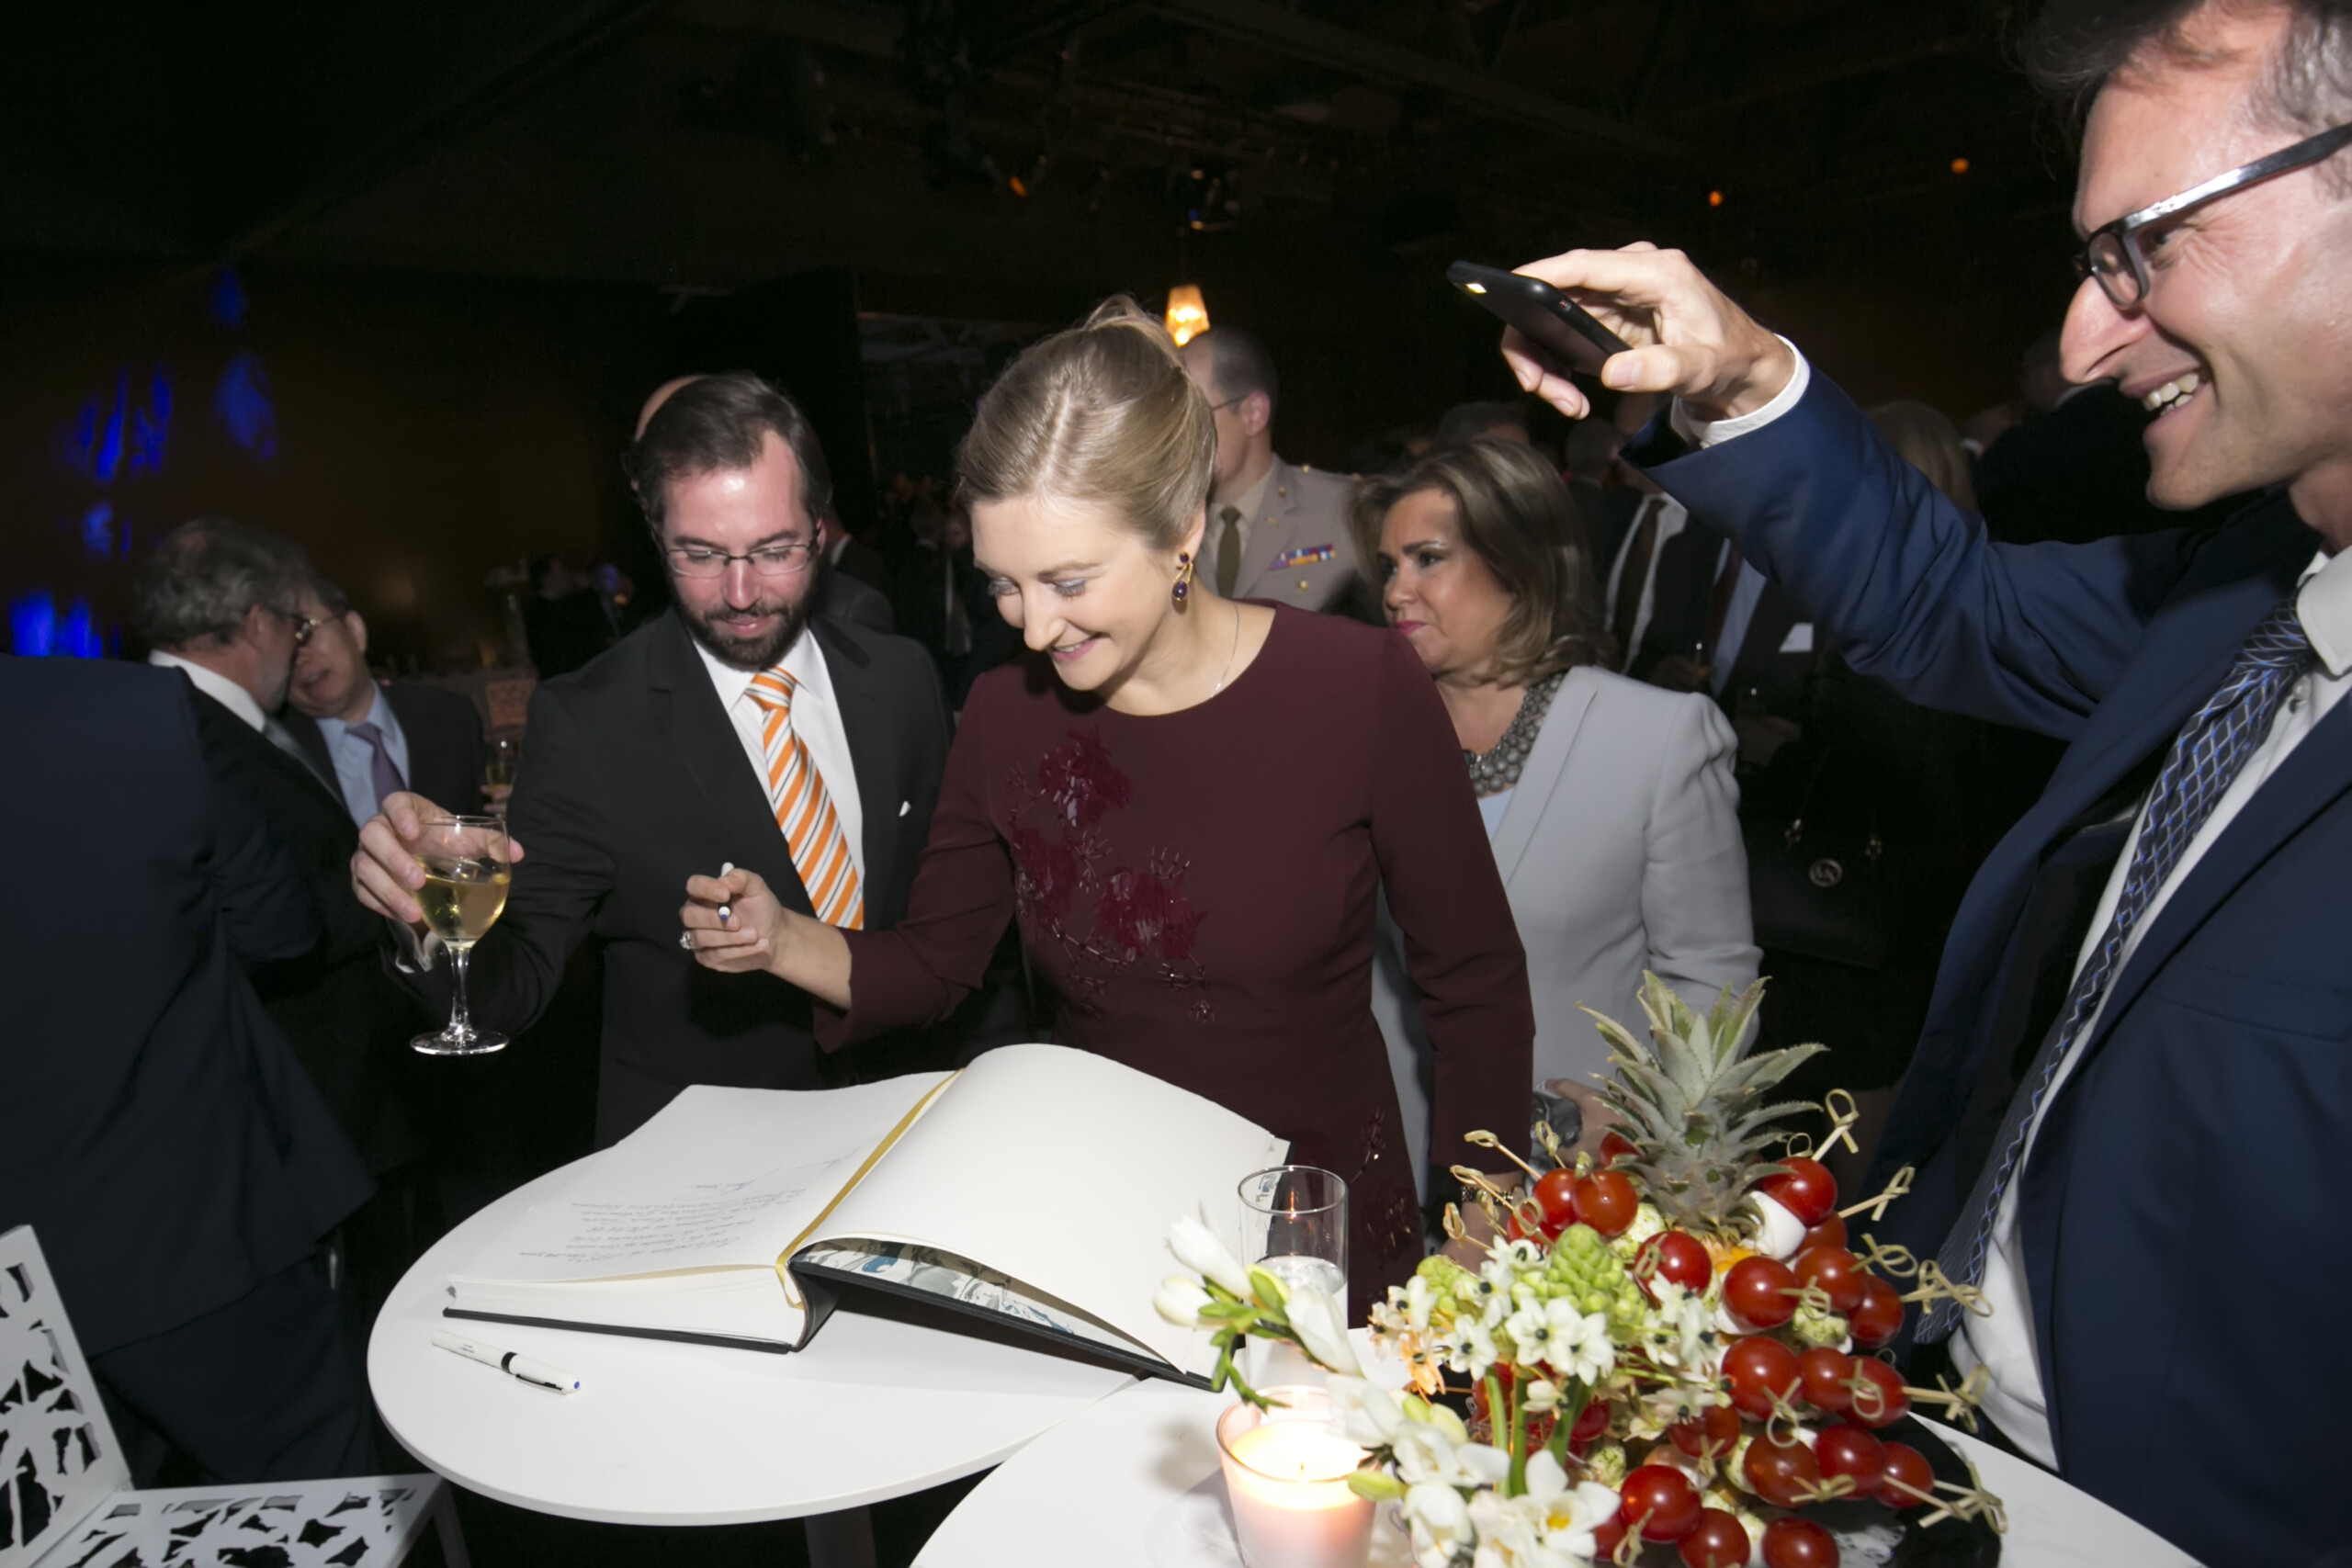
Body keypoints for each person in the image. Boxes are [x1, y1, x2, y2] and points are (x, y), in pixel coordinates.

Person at [1495, 1, 2352, 1557]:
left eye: (2145, 249)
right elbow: (1950, 603)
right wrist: (1739, 371)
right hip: (1946, 1444)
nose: (2087, 347)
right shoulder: (2244, 582)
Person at [682, 301, 1534, 1312]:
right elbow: (936, 966)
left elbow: (1471, 977)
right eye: (1002, 585)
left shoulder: (1356, 688)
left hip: (1311, 1222)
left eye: (1068, 579)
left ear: (1179, 528)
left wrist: (1483, 1218)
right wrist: (785, 942)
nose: (1035, 627)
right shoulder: (1005, 712)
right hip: (1107, 1229)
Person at [352, 372, 955, 1145]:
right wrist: (422, 912)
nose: (741, 594)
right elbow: (516, 982)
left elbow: (954, 929)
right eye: (700, 555)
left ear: (820, 525)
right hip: (704, 1170)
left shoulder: (900, 676)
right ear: (654, 531)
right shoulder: (588, 720)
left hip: (907, 1127)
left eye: (774, 551)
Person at [0, 655, 375, 1484]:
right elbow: (280, 928)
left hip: (29, 1293)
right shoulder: (127, 710)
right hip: (186, 1233)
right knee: (321, 1500)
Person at [1351, 438, 1758, 1192]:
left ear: (1520, 563)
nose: (1396, 591)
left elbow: (1711, 976)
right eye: (1388, 566)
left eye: (1428, 558)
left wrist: (1643, 1114)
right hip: (1392, 1166)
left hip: (1576, 1176)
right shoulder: (1363, 736)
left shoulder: (1654, 738)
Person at [135, 522, 424, 1181]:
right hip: (320, 1113)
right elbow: (266, 924)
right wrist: (397, 881)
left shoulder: (153, 720)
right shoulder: (195, 732)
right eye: (296, 629)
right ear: (258, 621)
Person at [1176, 325, 1360, 613]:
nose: (1177, 433)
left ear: (1253, 414)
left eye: (1193, 413)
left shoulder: (1345, 511)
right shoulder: (1165, 528)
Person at [282, 576, 488, 826]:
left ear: (355, 630)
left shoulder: (450, 715)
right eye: (282, 649)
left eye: (304, 633)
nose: (299, 657)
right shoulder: (279, 754)